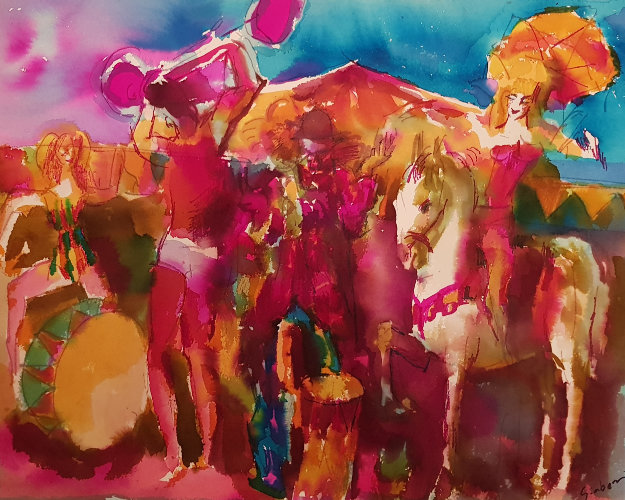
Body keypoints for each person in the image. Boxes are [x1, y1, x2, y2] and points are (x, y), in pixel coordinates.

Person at [100, 0, 306, 480]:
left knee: (175, 354)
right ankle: (191, 456)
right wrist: (209, 55)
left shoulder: (174, 137)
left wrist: (201, 57)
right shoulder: (190, 134)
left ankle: (189, 456)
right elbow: (244, 83)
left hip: (186, 252)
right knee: (184, 355)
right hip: (193, 253)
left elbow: (245, 83)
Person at [0, 129, 110, 387]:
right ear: (54, 153)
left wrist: (18, 203)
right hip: (69, 257)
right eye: (62, 147)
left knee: (16, 292)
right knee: (17, 291)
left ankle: (14, 361)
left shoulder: (71, 187)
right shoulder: (60, 188)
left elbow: (57, 199)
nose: (67, 152)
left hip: (70, 259)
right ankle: (15, 360)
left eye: (71, 148)